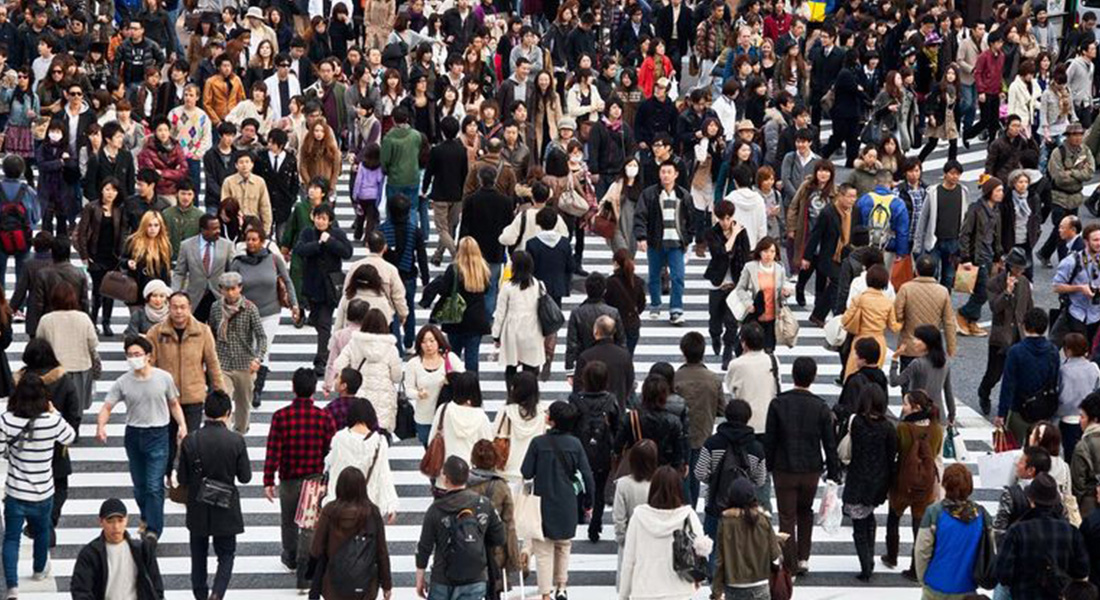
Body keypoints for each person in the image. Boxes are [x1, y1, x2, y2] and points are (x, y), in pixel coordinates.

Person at [95, 335, 186, 540]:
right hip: (134, 435)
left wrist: (182, 425)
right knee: (139, 486)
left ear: (148, 356)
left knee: (154, 486)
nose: (133, 358)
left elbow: (174, 404)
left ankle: (153, 529)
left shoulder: (163, 378)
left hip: (158, 434)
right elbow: (107, 406)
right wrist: (101, 426)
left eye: (137, 354)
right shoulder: (123, 382)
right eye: (129, 355)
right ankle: (146, 516)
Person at [0, 373, 76, 592]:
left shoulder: (7, 420)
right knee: (42, 532)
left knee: (11, 539)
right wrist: (55, 412)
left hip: (16, 491)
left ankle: (12, 586)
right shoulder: (51, 421)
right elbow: (70, 436)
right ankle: (38, 570)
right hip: (43, 491)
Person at [765, 356, 840, 574]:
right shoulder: (820, 407)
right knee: (805, 511)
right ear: (813, 377)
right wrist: (833, 472)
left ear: (793, 375)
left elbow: (770, 440)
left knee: (786, 516)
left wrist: (767, 465)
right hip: (811, 469)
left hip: (784, 468)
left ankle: (789, 563)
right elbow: (829, 444)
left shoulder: (778, 404)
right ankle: (803, 557)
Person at [262, 367, 336, 586]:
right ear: (313, 390)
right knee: (308, 524)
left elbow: (273, 450)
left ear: (293, 388)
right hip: (314, 477)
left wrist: (268, 480)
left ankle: (291, 556)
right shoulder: (323, 417)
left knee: (288, 520)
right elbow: (330, 450)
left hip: (288, 478)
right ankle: (305, 570)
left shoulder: (281, 416)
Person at [177, 390, 251, 600]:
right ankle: (217, 594)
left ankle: (200, 595)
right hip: (225, 504)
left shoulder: (191, 440)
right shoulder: (236, 441)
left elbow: (182, 478)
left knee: (198, 556)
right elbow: (245, 477)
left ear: (205, 411)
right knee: (226, 554)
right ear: (228, 413)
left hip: (198, 505)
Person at [146, 291, 225, 481]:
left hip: (193, 395)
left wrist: (220, 392)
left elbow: (212, 363)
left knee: (190, 441)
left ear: (189, 308)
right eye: (175, 307)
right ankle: (166, 474)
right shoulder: (156, 332)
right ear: (169, 307)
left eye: (183, 307)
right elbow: (149, 365)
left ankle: (186, 478)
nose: (179, 311)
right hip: (165, 398)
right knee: (167, 441)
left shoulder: (203, 331)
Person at [521, 401, 595, 600]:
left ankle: (545, 594)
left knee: (543, 551)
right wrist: (588, 502)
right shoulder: (575, 444)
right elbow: (587, 475)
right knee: (563, 545)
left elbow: (526, 471)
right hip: (567, 503)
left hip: (543, 504)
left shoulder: (538, 443)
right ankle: (561, 586)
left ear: (551, 420)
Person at [414, 456, 506, 600]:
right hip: (474, 576)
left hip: (442, 577)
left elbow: (424, 547)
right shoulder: (483, 504)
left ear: (446, 479)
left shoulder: (436, 509)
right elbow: (499, 537)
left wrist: (420, 578)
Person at [619, 465, 711, 600]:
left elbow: (629, 560)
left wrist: (623, 595)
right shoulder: (687, 515)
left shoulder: (639, 516)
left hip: (645, 590)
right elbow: (702, 549)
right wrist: (697, 578)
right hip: (679, 590)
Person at [882, 389, 944, 580]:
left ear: (915, 407)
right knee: (919, 525)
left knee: (894, 518)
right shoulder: (936, 429)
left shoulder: (903, 428)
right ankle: (916, 567)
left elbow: (895, 453)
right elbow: (936, 454)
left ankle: (891, 556)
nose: (903, 407)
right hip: (926, 483)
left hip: (902, 481)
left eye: (906, 404)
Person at [995, 473, 1090, 597]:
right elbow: (1082, 570)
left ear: (1031, 500)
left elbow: (1003, 574)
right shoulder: (1071, 531)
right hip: (1059, 594)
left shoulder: (1017, 531)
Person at [309, 466, 394, 600]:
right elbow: (381, 552)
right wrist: (387, 584)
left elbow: (316, 549)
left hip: (334, 583)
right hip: (365, 585)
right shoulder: (372, 512)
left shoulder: (330, 511)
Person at [914, 463, 994, 598]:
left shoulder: (934, 512)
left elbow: (922, 550)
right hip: (967, 587)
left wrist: (923, 579)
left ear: (945, 485)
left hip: (936, 584)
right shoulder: (981, 515)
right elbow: (990, 549)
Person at [844, 385, 898, 581]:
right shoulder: (888, 428)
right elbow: (892, 456)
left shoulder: (857, 422)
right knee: (869, 515)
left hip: (857, 478)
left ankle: (866, 564)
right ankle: (870, 557)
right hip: (878, 481)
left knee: (859, 523)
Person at [294, 202, 353, 373]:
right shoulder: (307, 233)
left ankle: (322, 359)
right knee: (316, 319)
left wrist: (330, 242)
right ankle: (325, 349)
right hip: (312, 284)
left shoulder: (337, 234)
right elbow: (300, 250)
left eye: (324, 219)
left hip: (330, 286)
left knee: (324, 323)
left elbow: (347, 252)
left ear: (330, 221)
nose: (320, 222)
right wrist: (318, 244)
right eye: (318, 218)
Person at [977, 247, 1036, 415]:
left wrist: (1030, 330)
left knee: (1018, 374)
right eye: (1018, 268)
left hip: (1019, 335)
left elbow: (1029, 307)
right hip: (1001, 337)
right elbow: (995, 307)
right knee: (994, 374)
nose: (1021, 271)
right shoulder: (994, 283)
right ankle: (984, 391)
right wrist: (1007, 292)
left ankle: (1012, 405)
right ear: (1010, 266)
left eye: (1022, 268)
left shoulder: (1024, 282)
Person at [69, 498, 166, 600]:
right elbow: (81, 590)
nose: (116, 527)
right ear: (101, 522)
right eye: (110, 521)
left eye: (120, 521)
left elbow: (156, 587)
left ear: (126, 520)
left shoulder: (142, 550)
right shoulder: (90, 554)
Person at [634, 159, 692, 325]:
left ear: (676, 174)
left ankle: (676, 309)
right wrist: (641, 237)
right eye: (663, 172)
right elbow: (640, 216)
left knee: (678, 276)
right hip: (656, 241)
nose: (666, 175)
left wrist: (688, 238)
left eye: (669, 172)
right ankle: (655, 304)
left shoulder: (683, 195)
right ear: (659, 174)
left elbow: (691, 219)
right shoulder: (649, 194)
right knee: (654, 275)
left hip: (676, 243)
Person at [208, 272, 267, 434]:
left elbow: (261, 336)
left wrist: (258, 358)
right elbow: (211, 331)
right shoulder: (215, 308)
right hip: (222, 362)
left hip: (245, 363)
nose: (230, 293)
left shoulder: (249, 308)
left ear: (240, 288)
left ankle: (240, 433)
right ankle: (225, 434)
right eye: (226, 289)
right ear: (221, 289)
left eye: (233, 288)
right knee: (223, 400)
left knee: (244, 404)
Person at [322, 397, 399, 521]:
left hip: (341, 504)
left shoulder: (339, 438)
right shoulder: (379, 442)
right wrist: (391, 505)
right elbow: (384, 474)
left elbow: (330, 466)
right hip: (368, 505)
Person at [466, 440, 521, 599]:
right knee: (494, 590)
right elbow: (509, 523)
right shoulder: (501, 486)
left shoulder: (464, 484)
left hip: (468, 545)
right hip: (495, 548)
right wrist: (513, 557)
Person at [996, 308, 1061, 443]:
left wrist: (1002, 413)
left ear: (1024, 325)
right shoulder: (1053, 350)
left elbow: (1008, 384)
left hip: (1019, 407)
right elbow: (1054, 380)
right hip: (1043, 407)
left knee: (1013, 447)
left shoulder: (1016, 351)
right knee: (1038, 448)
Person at [333, 308, 402, 431]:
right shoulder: (391, 348)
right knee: (380, 436)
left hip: (359, 396)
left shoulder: (354, 344)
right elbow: (397, 377)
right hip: (383, 399)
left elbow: (338, 365)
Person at [34, 282, 98, 411]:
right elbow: (92, 343)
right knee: (76, 408)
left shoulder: (46, 320)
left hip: (54, 371)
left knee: (54, 407)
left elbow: (39, 345)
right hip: (80, 367)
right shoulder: (83, 318)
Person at [460, 166, 514, 317]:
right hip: (496, 249)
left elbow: (465, 226)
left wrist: (461, 248)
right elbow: (509, 227)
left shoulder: (471, 200)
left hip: (475, 249)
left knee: (474, 283)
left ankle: (475, 314)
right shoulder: (505, 201)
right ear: (495, 179)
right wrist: (511, 250)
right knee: (492, 285)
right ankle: (487, 316)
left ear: (480, 179)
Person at [75, 177, 126, 336]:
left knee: (110, 290)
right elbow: (82, 233)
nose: (110, 193)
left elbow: (123, 233)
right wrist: (85, 255)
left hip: (113, 256)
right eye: (107, 189)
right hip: (95, 255)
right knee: (98, 290)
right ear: (102, 190)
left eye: (114, 190)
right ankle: (93, 320)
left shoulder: (119, 209)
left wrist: (122, 254)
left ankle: (106, 322)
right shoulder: (91, 207)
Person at [956, 176, 1006, 336]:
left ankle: (971, 321)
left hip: (989, 255)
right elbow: (965, 234)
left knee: (981, 290)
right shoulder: (976, 209)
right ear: (989, 192)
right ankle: (963, 314)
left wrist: (998, 256)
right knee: (983, 292)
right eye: (998, 190)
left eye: (1002, 190)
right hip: (977, 256)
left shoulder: (996, 210)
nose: (1001, 193)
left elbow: (996, 236)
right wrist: (966, 258)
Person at [705, 199, 751, 368]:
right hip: (717, 282)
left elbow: (746, 256)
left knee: (731, 322)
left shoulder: (742, 232)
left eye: (727, 218)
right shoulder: (712, 233)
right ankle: (715, 336)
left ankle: (728, 351)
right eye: (721, 218)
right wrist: (733, 235)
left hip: (735, 283)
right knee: (715, 320)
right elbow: (719, 253)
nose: (725, 222)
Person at [804, 182, 857, 326]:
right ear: (840, 196)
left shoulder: (853, 212)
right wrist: (807, 257)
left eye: (854, 197)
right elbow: (816, 235)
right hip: (828, 255)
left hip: (846, 255)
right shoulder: (828, 212)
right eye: (849, 196)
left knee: (840, 284)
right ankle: (822, 315)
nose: (852, 200)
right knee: (837, 282)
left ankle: (823, 314)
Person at [492, 250, 546, 386]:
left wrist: (496, 335)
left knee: (511, 366)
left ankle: (512, 393)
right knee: (530, 366)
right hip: (533, 329)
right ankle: (529, 393)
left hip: (512, 330)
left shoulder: (507, 287)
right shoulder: (539, 285)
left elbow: (500, 313)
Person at [893, 253, 957, 369]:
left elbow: (897, 314)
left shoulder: (906, 288)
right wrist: (951, 348)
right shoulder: (943, 291)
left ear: (916, 271)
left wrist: (901, 323)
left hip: (909, 346)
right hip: (932, 348)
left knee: (907, 378)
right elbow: (949, 322)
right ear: (935, 271)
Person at [404, 325, 464, 446]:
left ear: (439, 341)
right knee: (431, 452)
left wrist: (451, 379)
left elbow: (465, 381)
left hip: (448, 415)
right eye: (424, 342)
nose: (428, 345)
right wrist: (418, 394)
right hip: (425, 417)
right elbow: (408, 390)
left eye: (432, 341)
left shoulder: (450, 358)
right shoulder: (413, 364)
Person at [173, 214, 236, 323]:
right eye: (214, 229)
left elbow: (232, 272)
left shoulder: (227, 245)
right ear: (203, 230)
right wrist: (175, 293)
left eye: (219, 227)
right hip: (195, 298)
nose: (218, 231)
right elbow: (179, 272)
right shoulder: (186, 246)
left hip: (218, 297)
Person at [842, 264, 899, 379]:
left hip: (860, 339)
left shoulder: (859, 299)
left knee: (853, 376)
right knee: (873, 377)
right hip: (879, 342)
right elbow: (893, 327)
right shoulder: (887, 303)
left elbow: (845, 320)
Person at [723, 321, 778, 442]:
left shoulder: (736, 364)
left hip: (744, 421)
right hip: (768, 420)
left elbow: (730, 387)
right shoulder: (773, 360)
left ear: (744, 343)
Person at [890, 324, 956, 424]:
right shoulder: (945, 363)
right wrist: (952, 414)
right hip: (937, 416)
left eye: (918, 339)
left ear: (927, 342)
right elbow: (948, 391)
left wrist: (895, 359)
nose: (914, 341)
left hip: (915, 414)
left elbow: (894, 382)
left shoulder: (917, 363)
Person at [494, 371, 547, 486]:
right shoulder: (543, 412)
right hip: (534, 471)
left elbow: (494, 435)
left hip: (506, 470)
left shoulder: (506, 412)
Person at [1053, 223, 1100, 346]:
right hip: (1076, 314)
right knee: (1059, 347)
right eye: (1095, 240)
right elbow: (1056, 286)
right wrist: (1080, 288)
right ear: (1086, 242)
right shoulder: (1071, 261)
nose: (1099, 243)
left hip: (1096, 315)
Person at [1059, 333, 1100, 457]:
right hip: (1090, 417)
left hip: (1068, 418)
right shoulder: (1094, 368)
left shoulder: (1063, 370)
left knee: (1071, 454)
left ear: (1068, 350)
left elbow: (1062, 396)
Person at [1073, 392, 1100, 518]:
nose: (1080, 421)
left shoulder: (1083, 446)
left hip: (1090, 506)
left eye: (1082, 417)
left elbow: (1078, 484)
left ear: (1094, 419)